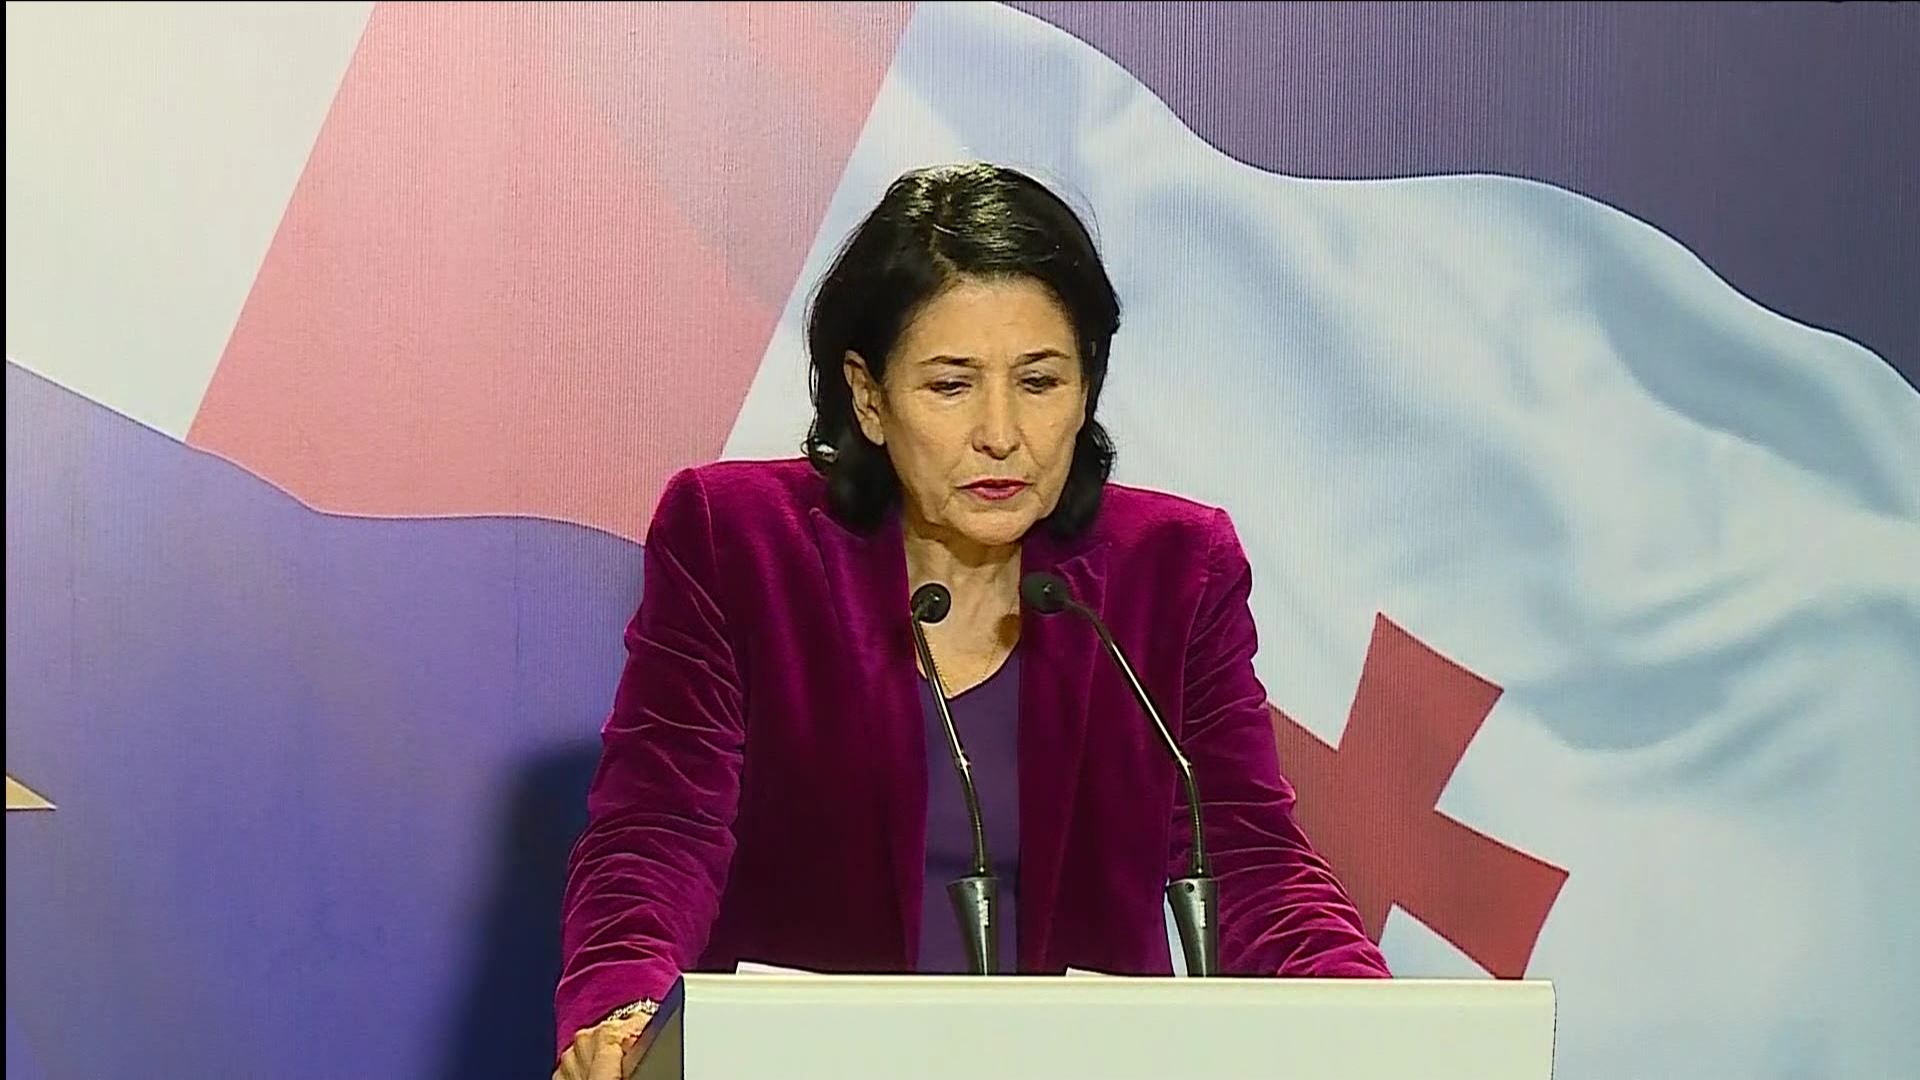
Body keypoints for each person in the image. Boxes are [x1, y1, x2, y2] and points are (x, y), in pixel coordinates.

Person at [552, 162, 1389, 1079]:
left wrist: (1382, 1023)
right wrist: (626, 1011)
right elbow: (661, 829)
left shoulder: (1176, 569)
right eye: (951, 386)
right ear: (869, 397)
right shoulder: (738, 542)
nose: (1001, 432)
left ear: (1086, 388)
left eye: (1040, 382)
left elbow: (1246, 856)